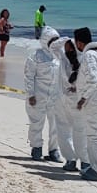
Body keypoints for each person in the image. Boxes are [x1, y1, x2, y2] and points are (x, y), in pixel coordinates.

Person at [72, 26, 97, 182]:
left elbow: (93, 80)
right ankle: (95, 167)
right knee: (93, 135)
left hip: (93, 100)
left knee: (95, 136)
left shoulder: (89, 55)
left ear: (79, 42)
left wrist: (83, 98)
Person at [23, 28, 64, 162]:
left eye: (56, 40)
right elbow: (29, 76)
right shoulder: (36, 56)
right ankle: (36, 148)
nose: (54, 43)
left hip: (55, 97)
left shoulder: (60, 57)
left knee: (56, 125)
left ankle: (53, 150)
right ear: (46, 41)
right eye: (52, 40)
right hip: (38, 96)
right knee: (36, 123)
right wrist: (31, 94)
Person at [54, 36, 83, 171]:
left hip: (64, 100)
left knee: (64, 130)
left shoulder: (63, 59)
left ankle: (71, 160)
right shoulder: (83, 59)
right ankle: (85, 162)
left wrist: (64, 39)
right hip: (77, 101)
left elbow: (53, 46)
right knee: (79, 131)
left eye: (66, 45)